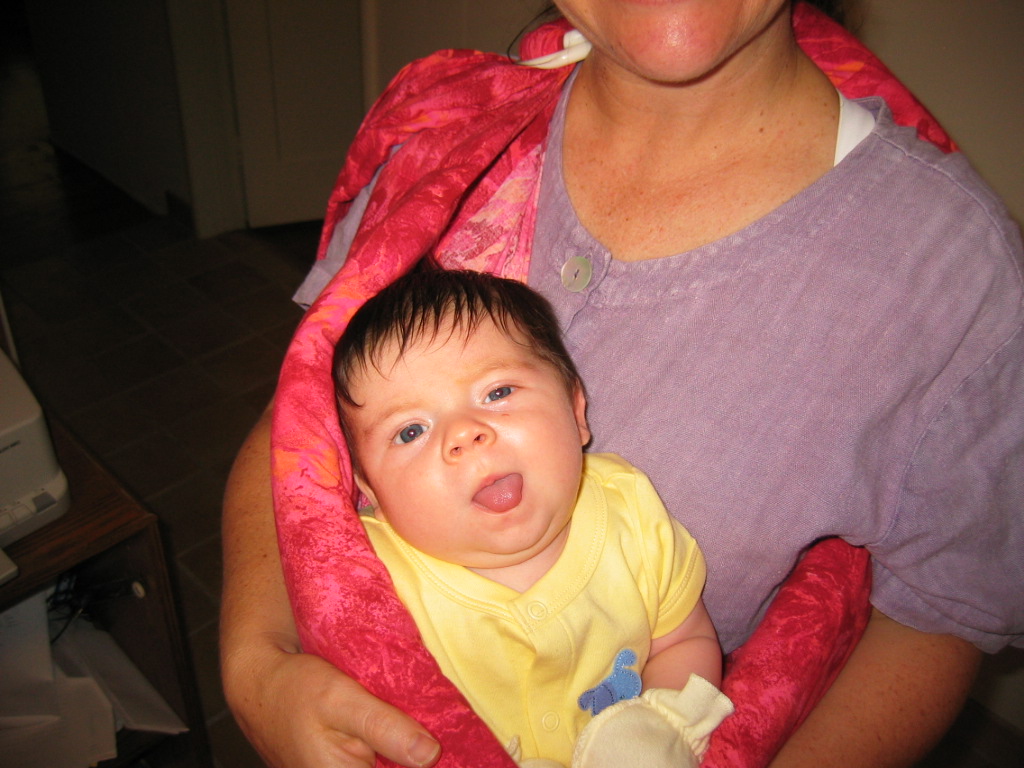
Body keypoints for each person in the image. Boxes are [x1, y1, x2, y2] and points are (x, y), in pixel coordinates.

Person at [220, 2, 1024, 768]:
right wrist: (258, 665)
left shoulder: (953, 267)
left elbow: (937, 618)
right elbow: (302, 433)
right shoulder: (445, 130)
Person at [332, 265, 731, 768]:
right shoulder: (364, 572)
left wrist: (657, 729)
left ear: (576, 411)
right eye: (411, 431)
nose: (465, 434)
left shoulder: (630, 510)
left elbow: (683, 641)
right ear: (371, 491)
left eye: (497, 392)